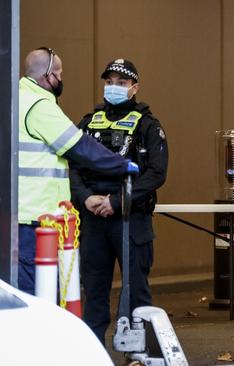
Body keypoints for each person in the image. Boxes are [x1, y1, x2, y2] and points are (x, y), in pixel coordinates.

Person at [69, 58, 168, 344]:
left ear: (134, 88)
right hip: (93, 221)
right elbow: (73, 166)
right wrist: (86, 198)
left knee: (136, 295)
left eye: (121, 83)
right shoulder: (88, 122)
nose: (113, 87)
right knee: (94, 293)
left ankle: (141, 357)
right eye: (109, 81)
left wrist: (116, 200)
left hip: (129, 220)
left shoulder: (148, 126)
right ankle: (93, 355)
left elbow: (156, 174)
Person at [18, 47, 131, 294]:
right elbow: (80, 147)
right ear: (48, 76)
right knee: (40, 298)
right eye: (58, 73)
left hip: (20, 217)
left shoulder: (16, 97)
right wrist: (122, 164)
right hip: (35, 220)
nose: (61, 78)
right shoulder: (39, 106)